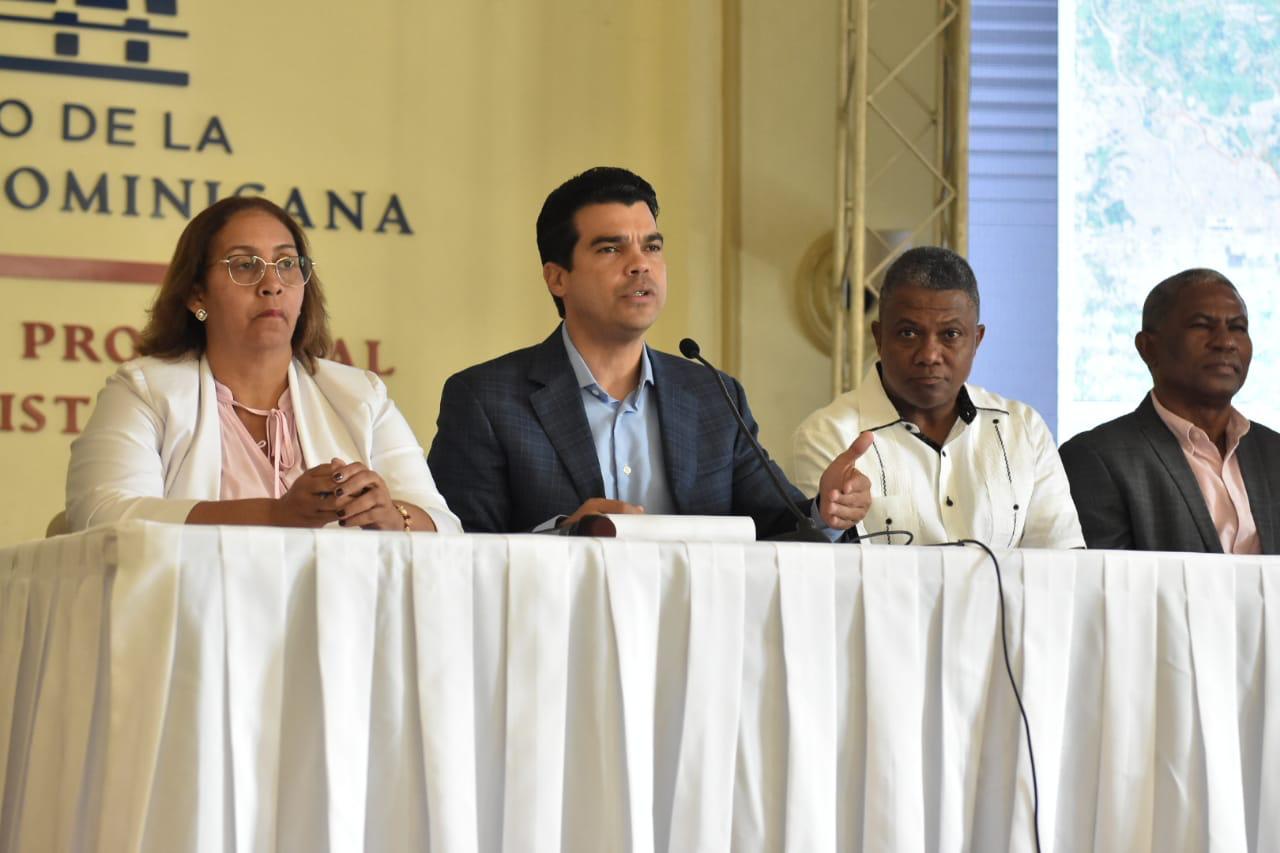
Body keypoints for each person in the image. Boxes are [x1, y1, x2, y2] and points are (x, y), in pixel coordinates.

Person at [427, 166, 871, 536]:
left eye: (652, 246)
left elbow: (779, 526)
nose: (640, 264)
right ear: (557, 278)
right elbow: (458, 552)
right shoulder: (487, 399)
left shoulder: (713, 396)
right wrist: (565, 536)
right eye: (610, 248)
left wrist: (825, 511)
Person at [65, 196, 460, 534]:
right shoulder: (145, 391)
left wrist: (392, 517)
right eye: (244, 265)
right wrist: (275, 515)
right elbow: (102, 514)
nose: (272, 284)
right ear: (196, 294)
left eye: (286, 264)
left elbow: (445, 526)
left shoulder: (360, 395)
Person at [791, 246, 1083, 548]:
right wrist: (829, 520)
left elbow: (1063, 563)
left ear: (977, 340)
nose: (929, 355)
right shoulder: (827, 435)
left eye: (951, 334)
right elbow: (821, 567)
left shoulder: (1024, 429)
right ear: (879, 338)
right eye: (908, 333)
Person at [1059, 268, 1280, 552]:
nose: (1225, 342)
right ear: (1148, 348)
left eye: (1238, 328)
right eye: (1202, 325)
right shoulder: (1096, 458)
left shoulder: (1273, 453)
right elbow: (1109, 578)